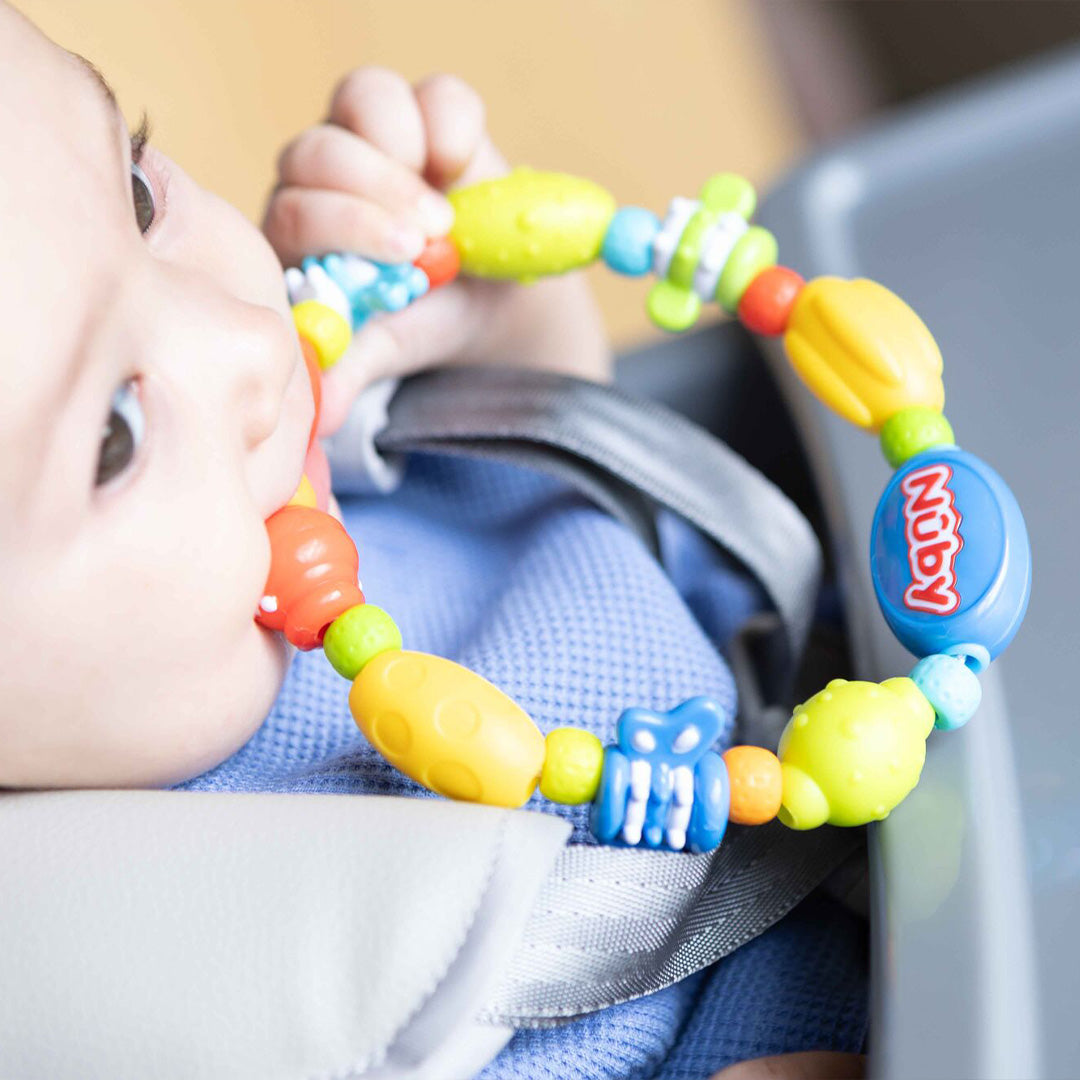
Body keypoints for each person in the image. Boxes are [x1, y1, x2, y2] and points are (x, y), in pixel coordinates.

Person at [0, 4, 865, 1076]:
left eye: (137, 195)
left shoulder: (300, 485)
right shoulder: (173, 996)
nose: (250, 343)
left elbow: (582, 513)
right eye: (113, 436)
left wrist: (502, 335)